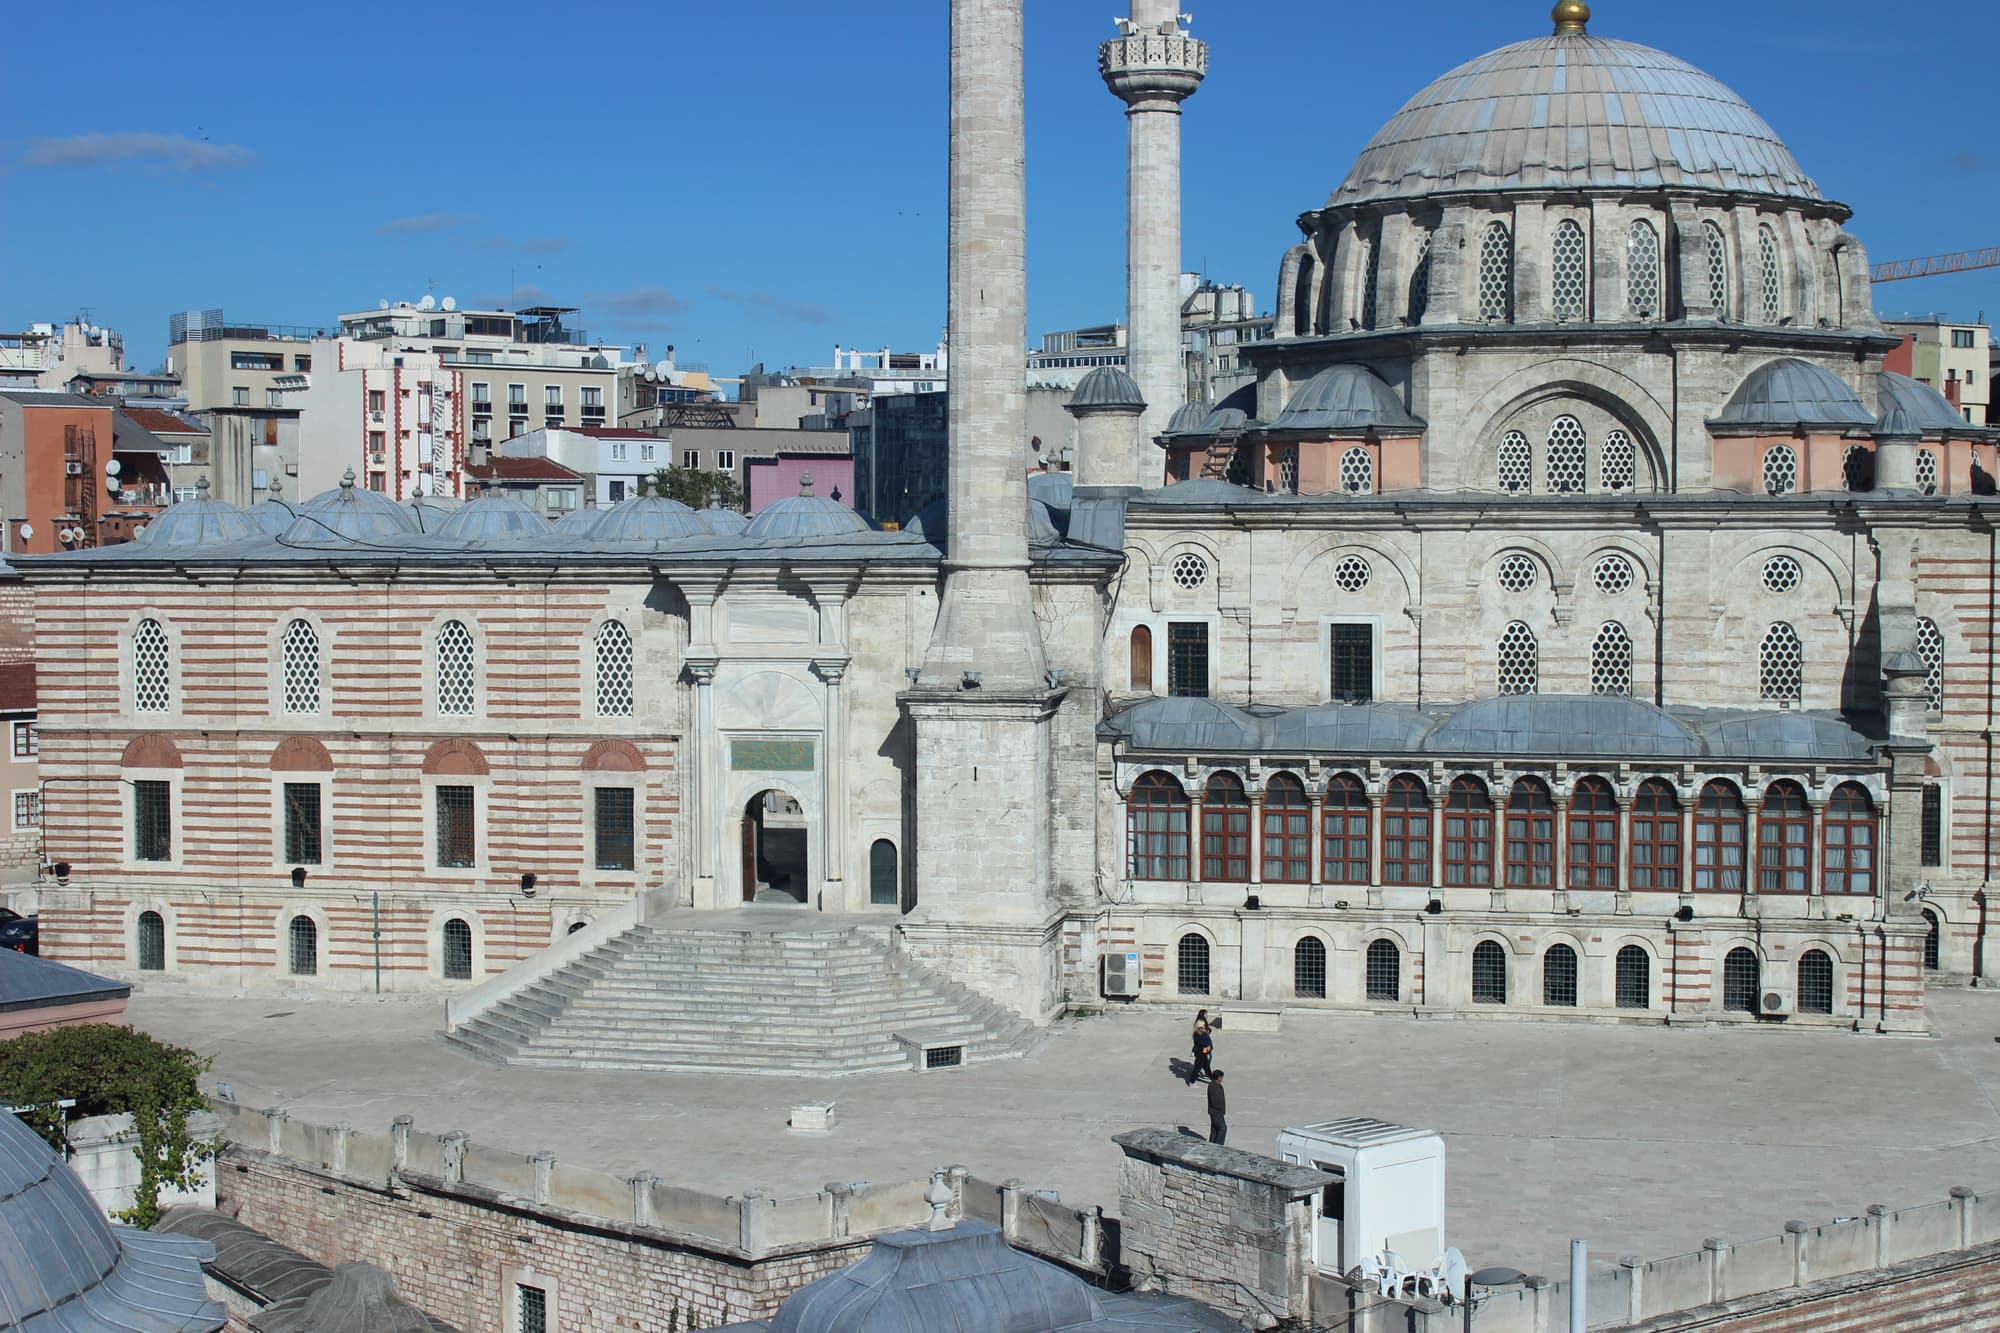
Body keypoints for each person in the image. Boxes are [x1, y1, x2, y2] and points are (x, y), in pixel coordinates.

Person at [1189, 1011, 1214, 1084]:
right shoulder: (1199, 1034)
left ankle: (1212, 1079)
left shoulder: (1201, 1033)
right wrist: (1207, 1046)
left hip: (1202, 1052)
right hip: (1201, 1053)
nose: (1204, 1027)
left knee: (1203, 1067)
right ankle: (1192, 1082)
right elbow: (1204, 1042)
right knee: (1201, 1067)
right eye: (1203, 1026)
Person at [1207, 1069, 1227, 1146]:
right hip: (1216, 1111)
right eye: (1221, 1077)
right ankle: (1218, 1146)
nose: (1222, 1079)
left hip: (1218, 1111)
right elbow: (1214, 1100)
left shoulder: (1217, 1085)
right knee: (1222, 1128)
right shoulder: (1213, 1086)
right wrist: (1219, 1109)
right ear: (1218, 1077)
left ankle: (1211, 1145)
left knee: (1215, 1129)